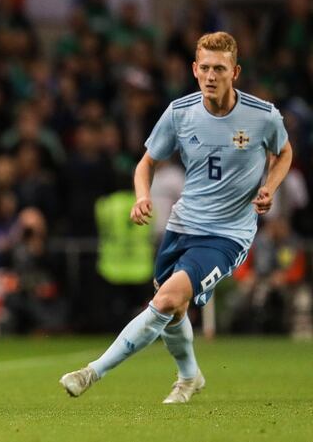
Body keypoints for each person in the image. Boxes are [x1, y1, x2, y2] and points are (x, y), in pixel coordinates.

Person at [59, 31, 292, 404]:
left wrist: (271, 187)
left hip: (227, 234)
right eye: (205, 68)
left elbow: (284, 153)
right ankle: (189, 377)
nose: (211, 75)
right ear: (194, 70)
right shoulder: (180, 113)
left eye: (220, 68)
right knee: (173, 306)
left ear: (236, 72)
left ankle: (92, 372)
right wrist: (142, 196)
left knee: (166, 300)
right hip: (181, 226)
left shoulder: (262, 116)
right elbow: (146, 163)